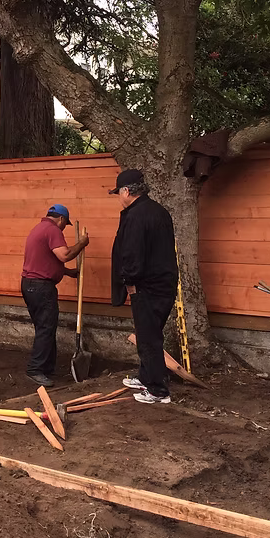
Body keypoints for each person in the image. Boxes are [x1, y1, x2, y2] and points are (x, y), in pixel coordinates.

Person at [109, 169, 179, 404]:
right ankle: (146, 377)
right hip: (163, 283)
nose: (119, 197)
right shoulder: (158, 211)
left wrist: (129, 282)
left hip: (147, 286)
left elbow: (132, 252)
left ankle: (158, 390)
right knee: (148, 332)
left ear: (127, 191)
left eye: (119, 193)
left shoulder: (136, 216)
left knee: (149, 337)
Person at [20, 204, 89, 387]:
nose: (63, 228)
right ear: (61, 219)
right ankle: (35, 370)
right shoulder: (52, 230)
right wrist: (82, 243)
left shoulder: (39, 229)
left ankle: (46, 367)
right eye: (65, 224)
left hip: (30, 285)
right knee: (46, 328)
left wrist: (67, 272)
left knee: (44, 327)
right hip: (41, 288)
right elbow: (65, 255)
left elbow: (45, 261)